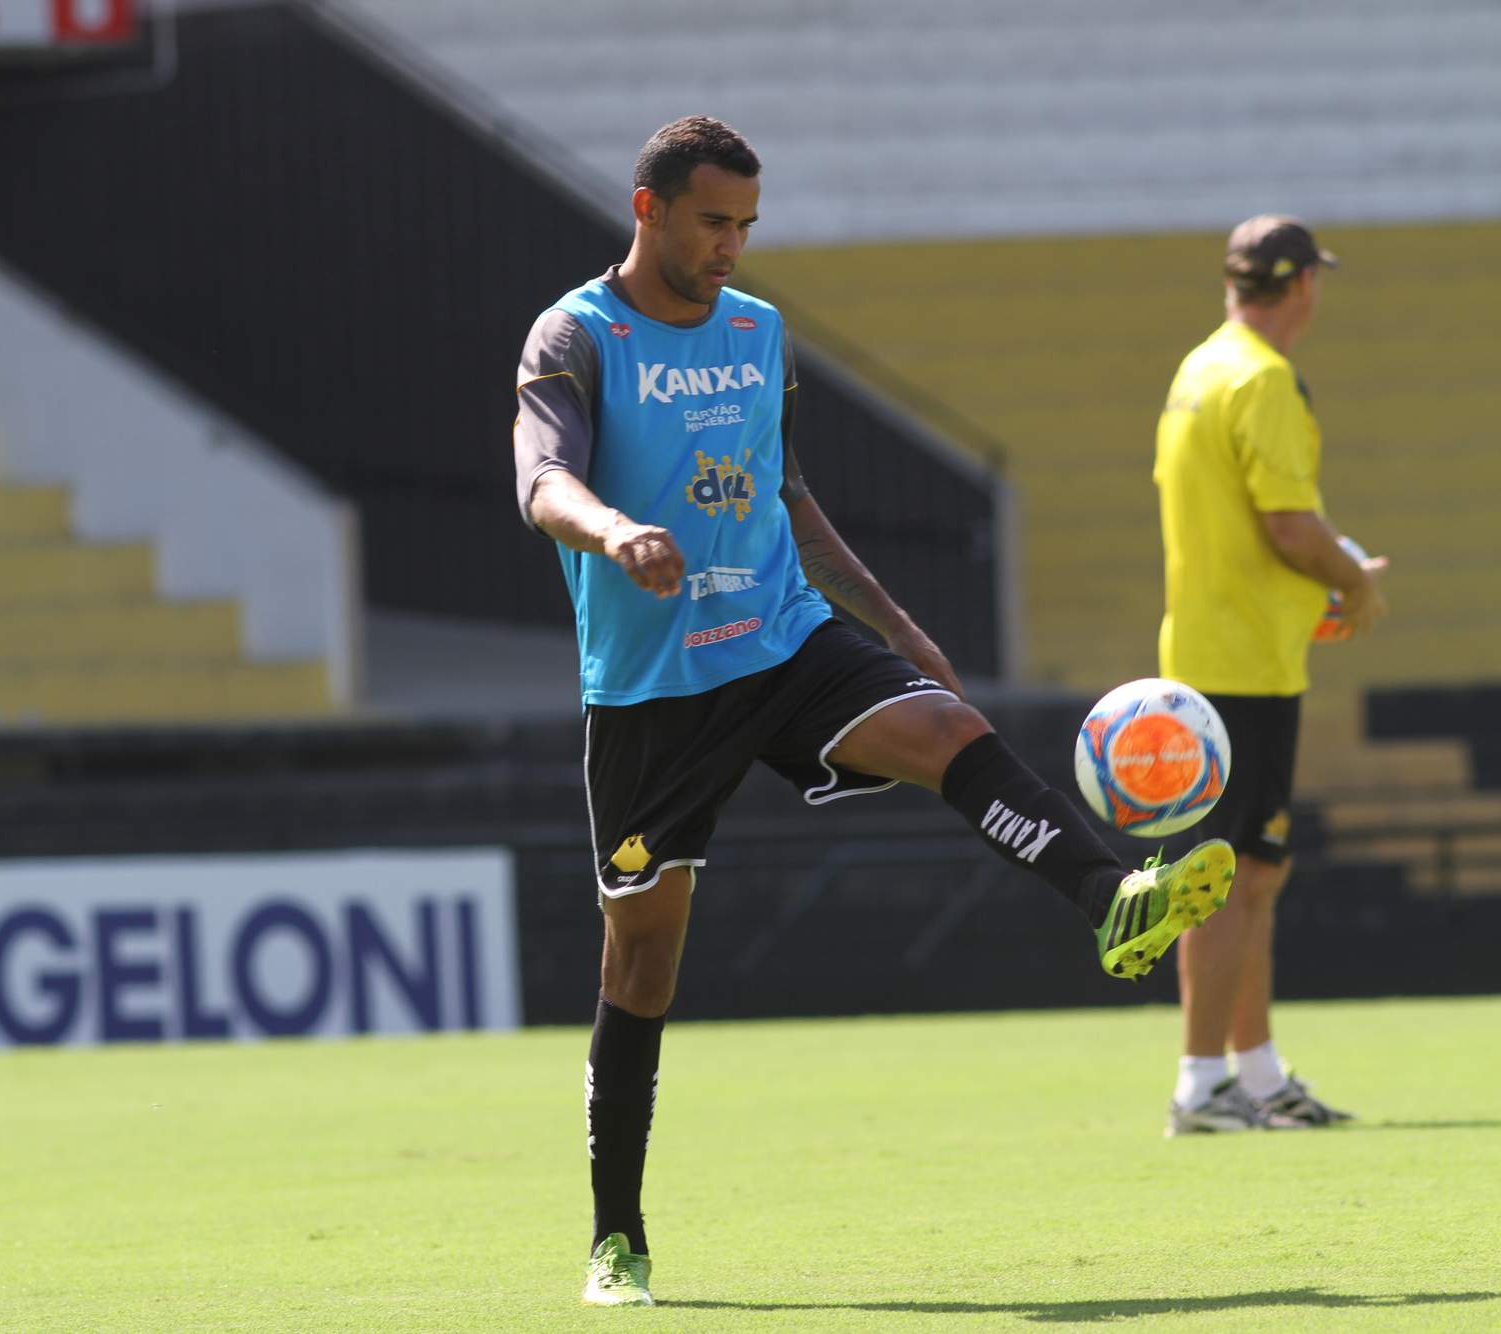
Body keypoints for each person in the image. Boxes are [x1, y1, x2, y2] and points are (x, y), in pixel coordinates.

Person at [512, 115, 1238, 1309]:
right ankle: (616, 1238)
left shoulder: (757, 331)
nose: (731, 246)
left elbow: (788, 495)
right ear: (647, 209)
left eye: (746, 225)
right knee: (640, 964)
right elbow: (542, 480)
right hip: (652, 687)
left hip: (781, 634)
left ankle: (1112, 898)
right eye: (711, 222)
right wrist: (614, 529)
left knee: (947, 730)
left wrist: (896, 626)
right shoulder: (574, 335)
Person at [1153, 215, 1388, 1138]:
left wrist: (1313, 586)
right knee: (1226, 877)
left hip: (1214, 651)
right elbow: (1288, 525)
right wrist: (1353, 586)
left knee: (1248, 873)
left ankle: (1252, 1074)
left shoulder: (1200, 368)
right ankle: (1203, 1084)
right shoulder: (1262, 377)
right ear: (1303, 285)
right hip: (1242, 665)